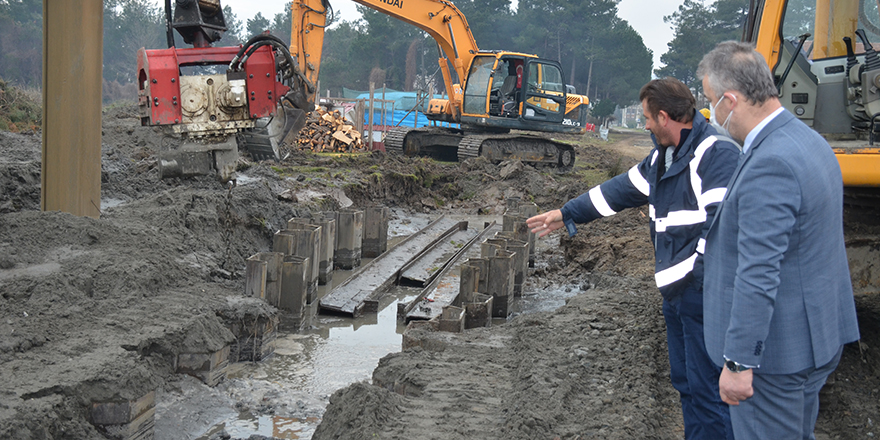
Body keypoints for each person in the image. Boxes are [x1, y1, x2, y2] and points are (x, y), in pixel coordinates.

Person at [526, 77, 739, 439]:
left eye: (646, 118)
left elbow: (722, 231)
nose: (644, 125)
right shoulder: (663, 158)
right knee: (686, 383)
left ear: (663, 117)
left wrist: (695, 278)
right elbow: (618, 191)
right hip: (676, 295)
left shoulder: (715, 154)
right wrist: (566, 213)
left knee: (709, 392)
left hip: (702, 295)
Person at [696, 41, 860, 439]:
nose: (711, 112)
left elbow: (758, 272)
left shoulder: (770, 163)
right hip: (814, 335)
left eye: (711, 101)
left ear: (731, 100)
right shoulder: (809, 141)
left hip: (776, 355)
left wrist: (737, 363)